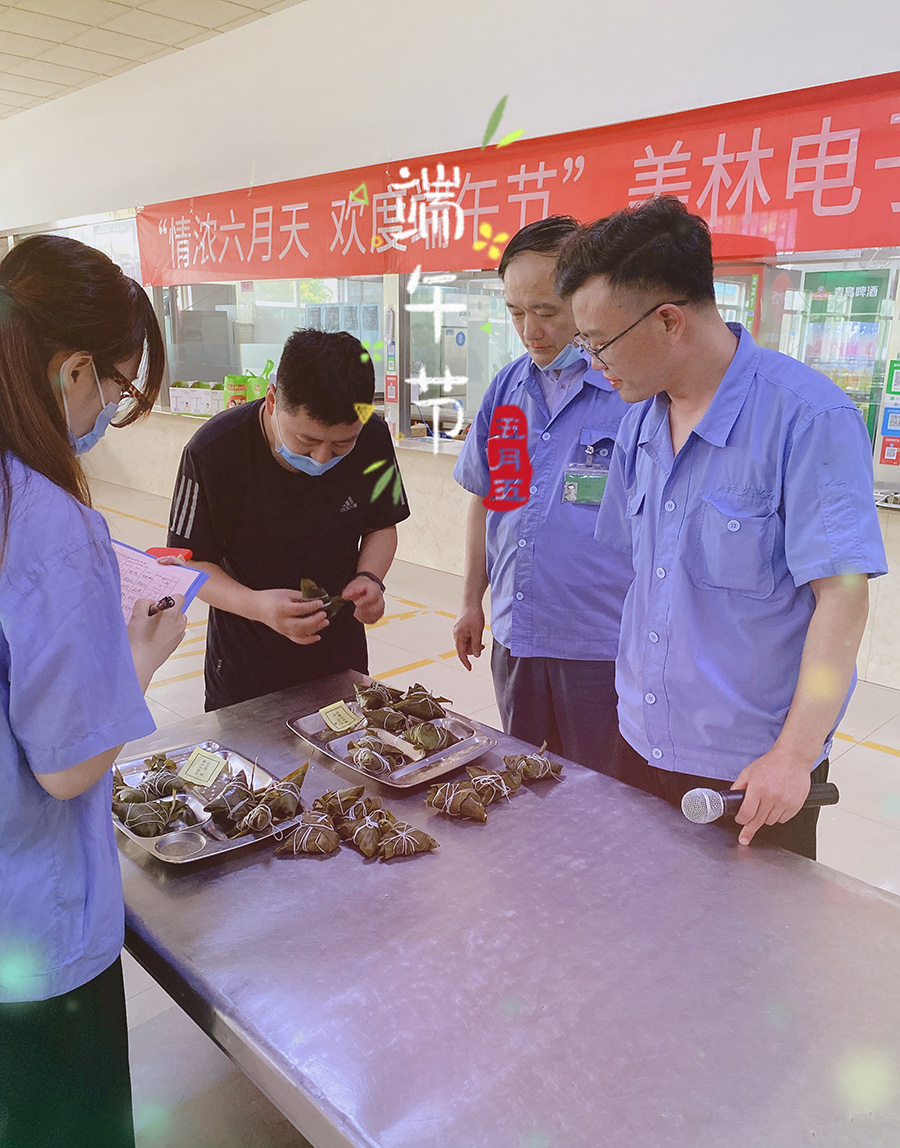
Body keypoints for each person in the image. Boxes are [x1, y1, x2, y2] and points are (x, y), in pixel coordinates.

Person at [554, 195, 888, 857]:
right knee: (638, 911)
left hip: (750, 774)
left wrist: (794, 755)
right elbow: (641, 579)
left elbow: (843, 599)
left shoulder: (807, 419)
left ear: (668, 320)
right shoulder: (640, 420)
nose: (592, 362)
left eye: (598, 342)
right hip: (639, 739)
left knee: (745, 927)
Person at [0, 235, 187, 1148]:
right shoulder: (46, 522)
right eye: (115, 386)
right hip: (31, 941)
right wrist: (141, 657)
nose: (107, 409)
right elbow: (68, 766)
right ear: (73, 369)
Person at [452, 216, 632, 774]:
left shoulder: (631, 392)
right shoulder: (507, 389)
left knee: (598, 794)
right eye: (515, 312)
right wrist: (471, 601)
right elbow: (489, 499)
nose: (530, 330)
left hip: (600, 647)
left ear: (586, 297)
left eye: (546, 311)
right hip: (518, 637)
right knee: (523, 784)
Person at [166, 328, 409, 711]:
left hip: (339, 658)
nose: (322, 458)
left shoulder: (373, 437)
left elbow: (381, 525)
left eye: (342, 444)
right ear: (272, 400)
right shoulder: (212, 450)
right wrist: (258, 606)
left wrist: (370, 578)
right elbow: (189, 563)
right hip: (246, 663)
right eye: (306, 440)